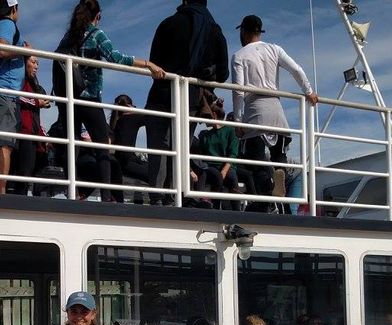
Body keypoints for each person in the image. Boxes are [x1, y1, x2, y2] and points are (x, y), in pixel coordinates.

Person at [56, 0, 165, 203]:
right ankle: (106, 197)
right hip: (89, 98)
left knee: (72, 145)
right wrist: (148, 64)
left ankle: (72, 190)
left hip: (70, 99)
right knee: (102, 149)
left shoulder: (68, 37)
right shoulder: (97, 35)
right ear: (97, 15)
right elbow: (117, 59)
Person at [144, 0, 228, 205]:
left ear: (184, 1)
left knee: (159, 149)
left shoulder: (168, 24)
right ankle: (174, 198)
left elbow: (154, 62)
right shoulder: (214, 30)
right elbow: (223, 73)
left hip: (161, 95)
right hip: (189, 99)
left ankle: (156, 199)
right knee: (181, 149)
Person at [231, 15, 318, 212]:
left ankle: (265, 201)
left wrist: (237, 121)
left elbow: (238, 90)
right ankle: (279, 181)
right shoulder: (274, 49)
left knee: (255, 162)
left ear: (243, 31)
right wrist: (309, 91)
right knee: (279, 156)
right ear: (259, 32)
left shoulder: (239, 56)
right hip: (277, 110)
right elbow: (296, 69)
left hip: (255, 109)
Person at [0, 0, 30, 194]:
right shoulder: (7, 24)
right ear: (14, 8)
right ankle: (0, 194)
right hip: (4, 94)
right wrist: (25, 51)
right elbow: (1, 49)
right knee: (4, 143)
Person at [10, 55, 50, 196]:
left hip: (32, 131)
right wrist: (35, 101)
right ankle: (18, 201)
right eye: (33, 62)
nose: (36, 66)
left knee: (31, 168)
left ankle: (23, 198)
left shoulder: (33, 84)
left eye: (37, 63)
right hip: (22, 130)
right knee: (23, 170)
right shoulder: (18, 78)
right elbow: (15, 96)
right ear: (24, 62)